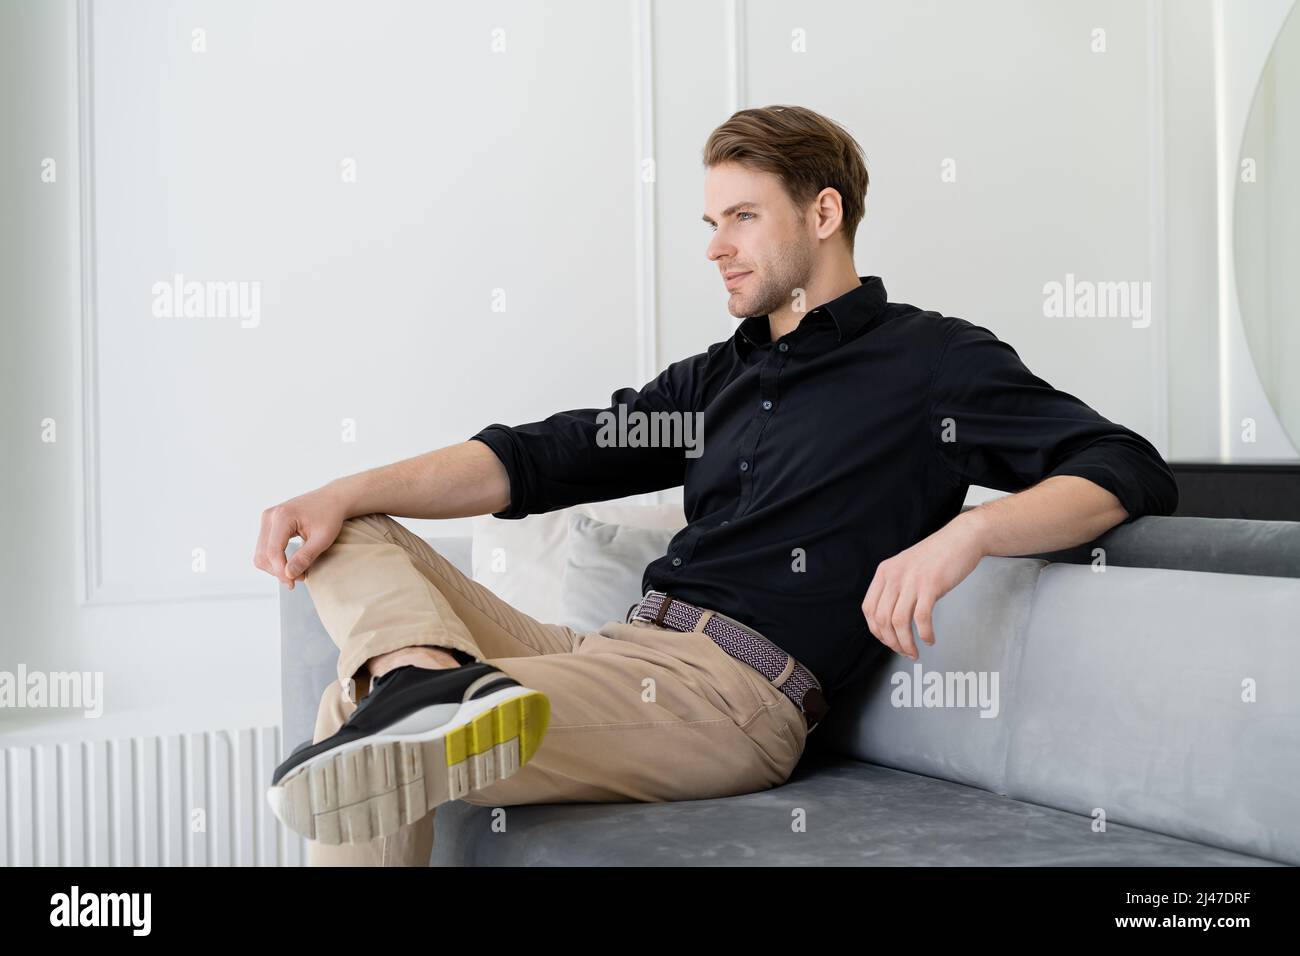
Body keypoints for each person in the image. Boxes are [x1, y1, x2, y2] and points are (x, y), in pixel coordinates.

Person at [254, 104, 1178, 866]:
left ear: (823, 215)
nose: (716, 248)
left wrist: (968, 533)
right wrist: (339, 488)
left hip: (730, 698)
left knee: (357, 721)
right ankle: (420, 684)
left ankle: (420, 701)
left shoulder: (931, 363)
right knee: (356, 529)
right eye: (710, 223)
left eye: (742, 218)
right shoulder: (719, 381)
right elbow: (544, 454)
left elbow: (1124, 465)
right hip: (608, 653)